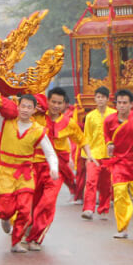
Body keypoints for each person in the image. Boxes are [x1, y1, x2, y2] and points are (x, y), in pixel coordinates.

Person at [0, 87, 59, 253]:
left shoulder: (38, 130)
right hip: (5, 173)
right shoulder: (6, 121)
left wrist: (54, 168)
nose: (25, 110)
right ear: (18, 106)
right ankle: (4, 217)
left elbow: (50, 152)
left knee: (24, 210)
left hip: (25, 174)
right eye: (22, 106)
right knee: (7, 209)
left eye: (29, 107)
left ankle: (16, 242)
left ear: (34, 110)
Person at [26, 88, 89, 249]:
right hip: (35, 165)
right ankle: (26, 225)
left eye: (59, 103)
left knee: (48, 201)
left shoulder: (69, 123)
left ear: (64, 105)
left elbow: (82, 140)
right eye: (53, 102)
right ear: (47, 102)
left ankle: (36, 237)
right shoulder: (36, 117)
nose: (55, 105)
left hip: (56, 169)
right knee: (31, 200)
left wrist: (89, 155)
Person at [104, 89, 133, 239]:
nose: (122, 106)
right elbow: (107, 136)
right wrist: (109, 144)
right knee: (119, 193)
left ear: (131, 104)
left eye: (125, 103)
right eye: (119, 103)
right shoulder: (109, 120)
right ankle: (122, 228)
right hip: (119, 162)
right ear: (116, 104)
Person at [81, 86, 115, 220]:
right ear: (95, 99)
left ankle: (104, 208)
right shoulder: (90, 116)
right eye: (98, 97)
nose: (100, 100)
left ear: (107, 99)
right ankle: (88, 209)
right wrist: (87, 155)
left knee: (106, 184)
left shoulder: (114, 114)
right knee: (90, 181)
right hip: (94, 154)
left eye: (103, 97)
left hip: (108, 155)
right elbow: (86, 136)